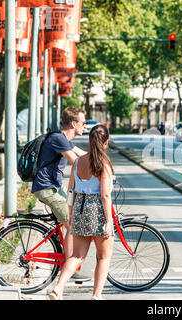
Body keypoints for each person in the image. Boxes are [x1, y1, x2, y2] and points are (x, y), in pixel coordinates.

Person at [49, 125, 115, 300]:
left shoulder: (78, 162)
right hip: (97, 210)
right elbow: (105, 195)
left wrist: (70, 214)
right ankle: (96, 295)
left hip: (79, 208)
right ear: (106, 142)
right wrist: (109, 221)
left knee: (77, 256)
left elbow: (70, 190)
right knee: (104, 256)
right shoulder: (104, 164)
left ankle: (58, 288)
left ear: (89, 141)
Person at [32, 107, 90, 282]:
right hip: (47, 189)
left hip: (53, 188)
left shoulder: (63, 139)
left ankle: (65, 258)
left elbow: (83, 155)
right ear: (73, 123)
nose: (85, 126)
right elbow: (76, 162)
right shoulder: (58, 139)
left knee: (71, 218)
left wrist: (102, 161)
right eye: (83, 122)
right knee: (71, 224)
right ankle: (69, 267)